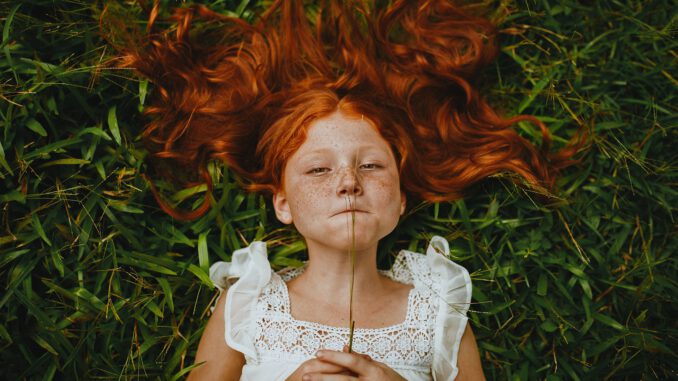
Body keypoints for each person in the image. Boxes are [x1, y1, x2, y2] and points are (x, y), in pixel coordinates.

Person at [103, 0, 583, 379]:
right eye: (317, 171)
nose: (349, 182)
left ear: (400, 201)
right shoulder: (250, 302)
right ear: (284, 204)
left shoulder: (435, 309)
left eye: (371, 165)